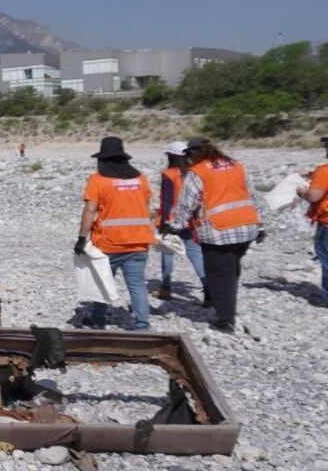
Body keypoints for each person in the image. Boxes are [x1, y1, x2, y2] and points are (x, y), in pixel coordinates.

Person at [174, 137, 262, 333]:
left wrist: (177, 225)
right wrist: (259, 222)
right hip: (246, 226)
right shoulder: (236, 165)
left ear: (193, 153)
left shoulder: (198, 172)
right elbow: (252, 194)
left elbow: (187, 203)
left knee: (219, 276)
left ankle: (225, 320)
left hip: (218, 231)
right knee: (231, 271)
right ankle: (228, 309)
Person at [75, 137, 154, 331]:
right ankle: (143, 325)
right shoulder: (140, 179)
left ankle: (98, 321)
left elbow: (90, 210)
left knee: (101, 281)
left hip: (109, 243)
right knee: (137, 285)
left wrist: (81, 239)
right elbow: (147, 207)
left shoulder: (98, 180)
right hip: (139, 241)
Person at [156, 141, 207, 301]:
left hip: (172, 220)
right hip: (191, 220)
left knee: (167, 252)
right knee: (195, 254)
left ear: (171, 156)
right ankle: (208, 288)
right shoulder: (195, 172)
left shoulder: (169, 174)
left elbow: (167, 200)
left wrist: (163, 221)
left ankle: (166, 288)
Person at [298, 136, 328, 305]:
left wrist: (301, 192)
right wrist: (311, 174)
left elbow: (313, 196)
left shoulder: (325, 170)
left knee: (325, 258)